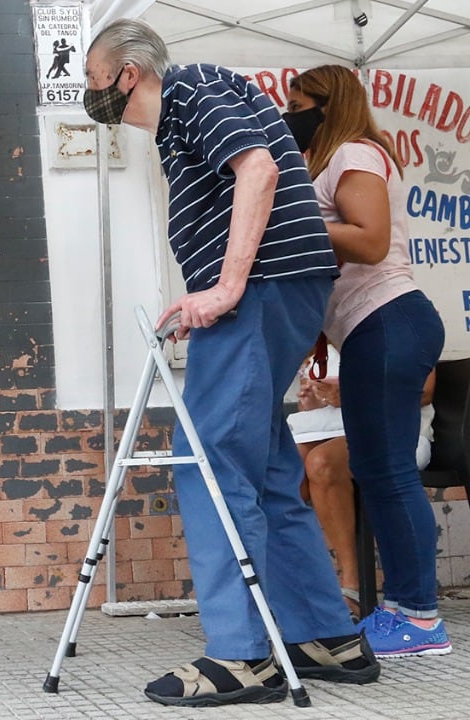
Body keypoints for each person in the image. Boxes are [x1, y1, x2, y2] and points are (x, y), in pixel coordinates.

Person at [83, 19, 379, 706]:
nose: (93, 97)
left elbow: (259, 167)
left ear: (128, 73)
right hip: (280, 290)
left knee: (207, 460)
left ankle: (245, 656)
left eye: (95, 81)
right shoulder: (191, 108)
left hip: (264, 290)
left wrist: (227, 286)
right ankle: (322, 634)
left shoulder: (191, 89)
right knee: (268, 467)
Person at [286, 65, 450, 657]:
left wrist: (299, 222)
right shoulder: (327, 161)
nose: (291, 111)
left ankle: (421, 620)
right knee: (379, 473)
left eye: (300, 102)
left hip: (391, 320)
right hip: (370, 329)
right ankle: (402, 611)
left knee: (388, 473)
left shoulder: (353, 152)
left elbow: (372, 240)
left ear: (329, 105)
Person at [290, 349, 436, 621]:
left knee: (321, 463)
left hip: (398, 433)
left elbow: (424, 391)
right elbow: (315, 408)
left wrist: (353, 397)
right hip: (333, 432)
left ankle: (352, 584)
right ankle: (295, 588)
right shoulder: (318, 344)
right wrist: (314, 400)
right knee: (285, 473)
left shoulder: (393, 323)